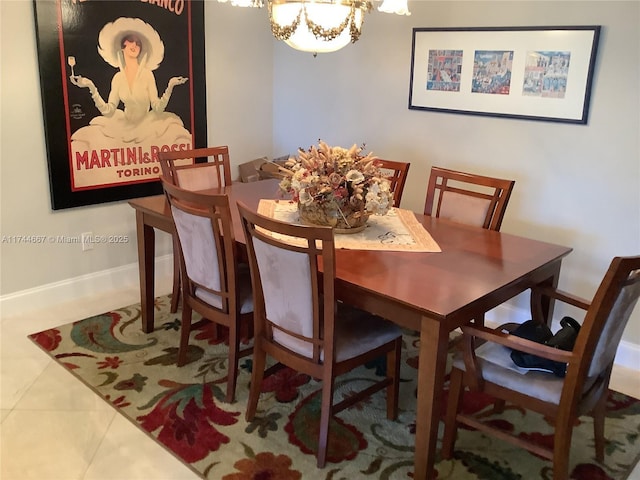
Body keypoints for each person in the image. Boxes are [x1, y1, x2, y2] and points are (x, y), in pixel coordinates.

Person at [68, 17, 191, 151]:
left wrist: (170, 86)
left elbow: (157, 108)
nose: (134, 45)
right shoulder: (118, 78)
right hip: (124, 126)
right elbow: (108, 111)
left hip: (148, 125)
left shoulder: (147, 74)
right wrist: (91, 86)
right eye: (131, 41)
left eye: (138, 43)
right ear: (123, 46)